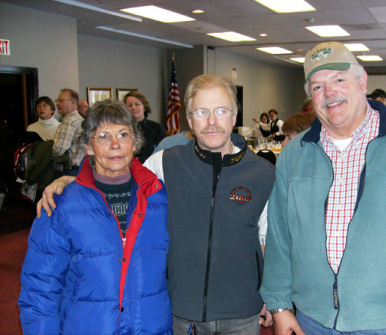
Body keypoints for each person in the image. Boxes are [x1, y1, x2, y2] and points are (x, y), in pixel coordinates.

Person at [38, 74, 275, 335]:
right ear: (189, 119)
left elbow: (266, 241)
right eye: (201, 112)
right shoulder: (163, 163)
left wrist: (268, 293)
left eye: (221, 111)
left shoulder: (263, 173)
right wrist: (70, 180)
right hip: (180, 309)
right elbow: (116, 173)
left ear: (234, 116)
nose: (211, 121)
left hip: (241, 311)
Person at [261, 41, 386, 335]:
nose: (329, 93)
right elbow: (279, 239)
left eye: (339, 79)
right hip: (312, 320)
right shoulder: (295, 154)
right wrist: (280, 305)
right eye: (318, 87)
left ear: (362, 81)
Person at [19, 100, 173, 334]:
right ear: (88, 146)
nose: (115, 145)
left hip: (150, 327)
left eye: (123, 134)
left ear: (135, 142)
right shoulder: (60, 204)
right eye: (102, 136)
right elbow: (40, 290)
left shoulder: (159, 197)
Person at [124, 91, 166, 162]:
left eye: (137, 104)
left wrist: (139, 160)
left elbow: (163, 153)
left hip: (150, 167)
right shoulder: (122, 129)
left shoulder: (156, 128)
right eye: (129, 105)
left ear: (144, 107)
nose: (133, 108)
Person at [52, 88, 85, 175]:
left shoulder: (68, 122)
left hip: (71, 171)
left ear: (73, 102)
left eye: (61, 101)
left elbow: (58, 150)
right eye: (57, 100)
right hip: (82, 169)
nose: (57, 103)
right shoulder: (80, 119)